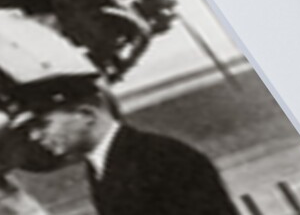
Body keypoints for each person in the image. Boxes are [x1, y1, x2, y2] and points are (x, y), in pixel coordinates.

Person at [17, 75, 238, 215]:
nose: (35, 136)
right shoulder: (103, 166)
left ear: (86, 115)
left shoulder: (162, 157)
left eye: (43, 124)